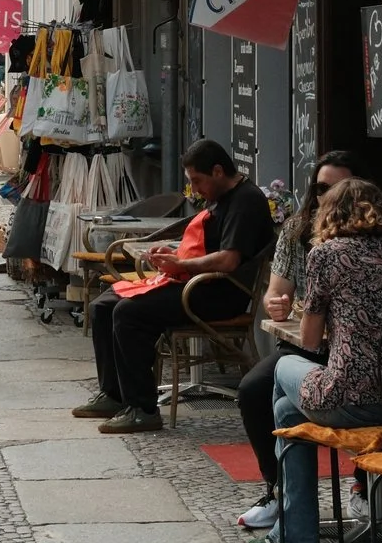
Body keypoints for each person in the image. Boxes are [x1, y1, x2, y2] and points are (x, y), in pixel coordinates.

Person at [248, 178, 382, 543]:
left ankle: (294, 532)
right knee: (285, 411)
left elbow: (310, 341)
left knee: (284, 365)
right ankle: (293, 530)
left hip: (353, 401)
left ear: (329, 214)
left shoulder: (327, 254)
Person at [76, 139, 275, 435]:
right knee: (104, 304)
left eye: (197, 181)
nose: (194, 191)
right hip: (198, 283)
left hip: (220, 292)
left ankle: (143, 408)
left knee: (129, 313)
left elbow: (228, 260)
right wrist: (175, 257)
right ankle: (114, 393)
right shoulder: (220, 195)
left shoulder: (246, 200)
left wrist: (180, 266)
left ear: (218, 171)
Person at [235, 151, 360, 533]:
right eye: (322, 188)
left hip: (355, 354)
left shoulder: (372, 236)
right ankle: (277, 491)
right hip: (308, 349)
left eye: (338, 189)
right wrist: (278, 304)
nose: (329, 198)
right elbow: (277, 297)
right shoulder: (297, 231)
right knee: (254, 389)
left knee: (293, 399)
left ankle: (361, 487)